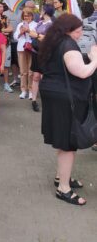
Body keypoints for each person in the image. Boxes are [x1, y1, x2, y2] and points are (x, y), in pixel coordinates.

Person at [39, 14, 97, 206]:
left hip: (55, 95)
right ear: (67, 31)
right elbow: (81, 71)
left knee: (65, 139)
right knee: (68, 143)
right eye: (78, 31)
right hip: (64, 99)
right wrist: (95, 59)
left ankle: (61, 176)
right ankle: (63, 188)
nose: (81, 35)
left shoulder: (54, 42)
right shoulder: (68, 45)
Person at [29, 6, 55, 111]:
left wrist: (36, 35)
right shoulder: (40, 22)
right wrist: (36, 35)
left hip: (45, 54)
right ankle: (34, 100)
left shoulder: (51, 25)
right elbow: (32, 34)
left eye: (41, 10)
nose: (40, 11)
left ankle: (46, 100)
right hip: (36, 52)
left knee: (44, 77)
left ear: (45, 12)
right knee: (35, 76)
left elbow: (48, 39)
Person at [14, 9, 37, 99]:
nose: (26, 17)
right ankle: (23, 90)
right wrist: (21, 32)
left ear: (32, 16)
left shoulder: (35, 24)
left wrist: (28, 31)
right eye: (25, 16)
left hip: (31, 49)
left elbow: (36, 35)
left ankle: (31, 90)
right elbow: (15, 37)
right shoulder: (20, 24)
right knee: (23, 71)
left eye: (28, 15)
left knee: (31, 71)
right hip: (21, 49)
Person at [0, 2, 13, 93]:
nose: (1, 8)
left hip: (6, 43)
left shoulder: (5, 17)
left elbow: (11, 29)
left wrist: (1, 31)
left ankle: (6, 83)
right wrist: (3, 32)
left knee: (6, 64)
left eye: (2, 6)